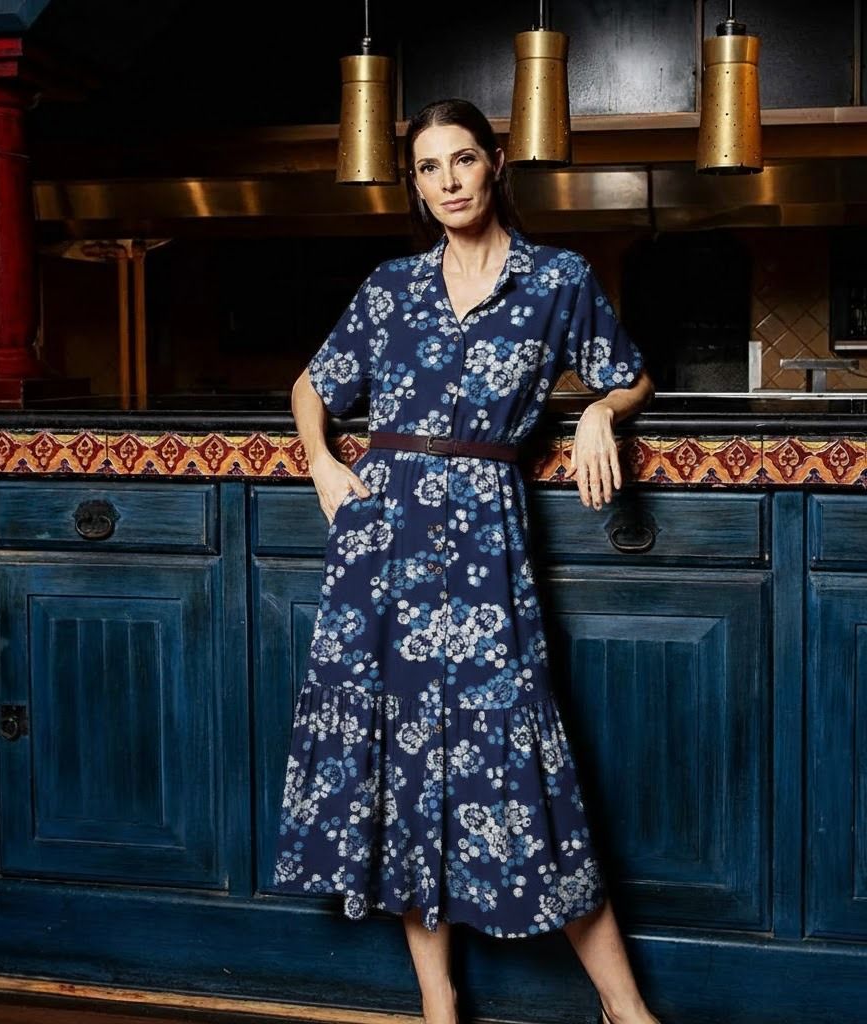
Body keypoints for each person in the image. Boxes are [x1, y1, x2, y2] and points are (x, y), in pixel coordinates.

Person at [273, 97, 658, 1024]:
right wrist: (324, 461)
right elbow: (309, 386)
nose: (447, 182)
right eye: (428, 168)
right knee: (404, 764)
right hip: (383, 547)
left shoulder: (556, 278)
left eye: (462, 161)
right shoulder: (389, 286)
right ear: (416, 184)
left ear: (494, 166)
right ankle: (439, 1007)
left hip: (487, 544)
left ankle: (626, 1010)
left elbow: (630, 369)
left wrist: (604, 410)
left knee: (521, 762)